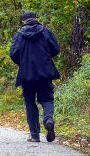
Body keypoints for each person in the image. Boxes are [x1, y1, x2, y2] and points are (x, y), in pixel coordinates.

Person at [10, 11, 60, 142]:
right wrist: (46, 57)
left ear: (23, 21)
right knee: (47, 99)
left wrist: (22, 62)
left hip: (27, 74)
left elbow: (13, 53)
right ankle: (48, 119)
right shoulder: (45, 31)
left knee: (30, 103)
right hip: (45, 72)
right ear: (36, 19)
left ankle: (35, 135)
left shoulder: (20, 35)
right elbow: (56, 48)